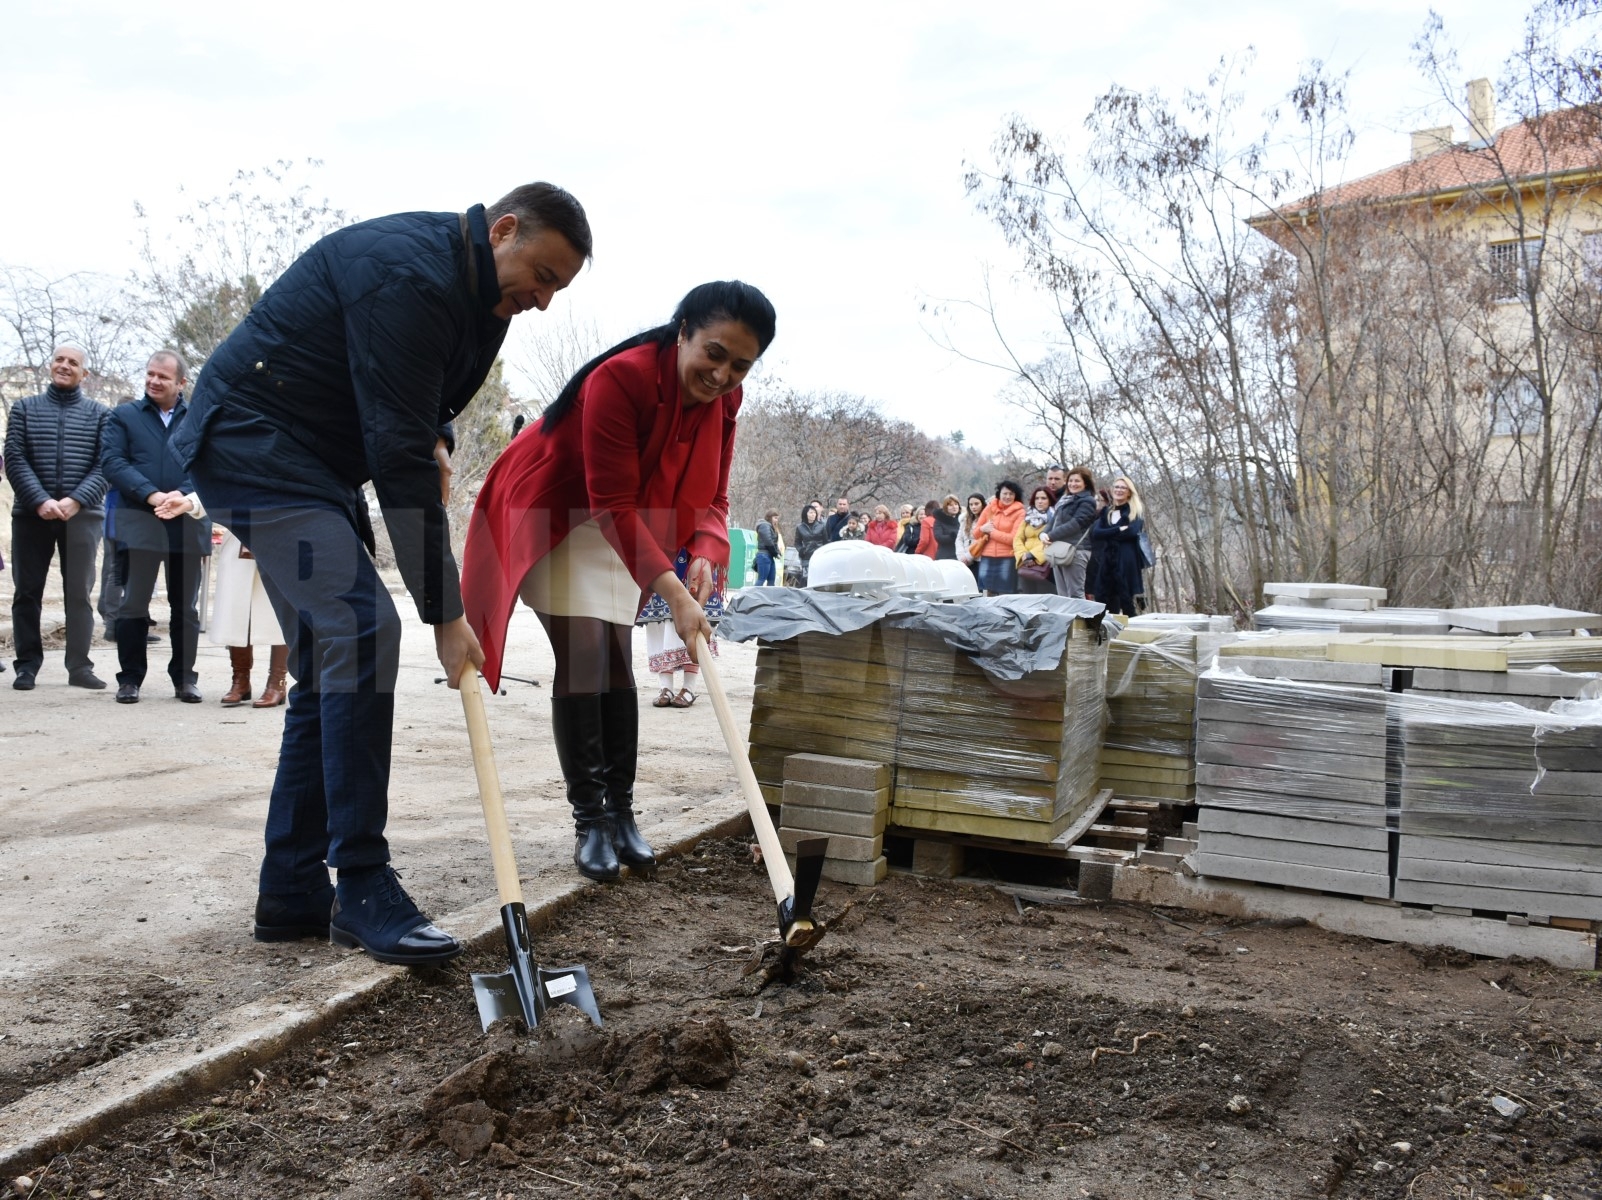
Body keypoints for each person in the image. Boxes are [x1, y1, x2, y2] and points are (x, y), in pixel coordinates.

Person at [170, 183, 593, 965]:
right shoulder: (408, 271)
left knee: (333, 659)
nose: (542, 300)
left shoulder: (483, 301)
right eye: (542, 275)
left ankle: (294, 890)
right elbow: (394, 446)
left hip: (313, 458)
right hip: (254, 443)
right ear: (503, 230)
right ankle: (362, 881)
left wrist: (438, 436)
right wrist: (446, 613)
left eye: (557, 290)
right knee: (366, 629)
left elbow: (423, 403)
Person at [462, 281, 776, 885]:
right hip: (558, 510)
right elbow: (609, 504)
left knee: (613, 663)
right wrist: (676, 594)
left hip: (631, 518)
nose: (722, 376)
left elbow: (713, 496)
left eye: (741, 366)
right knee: (584, 657)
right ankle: (590, 821)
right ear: (682, 330)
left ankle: (622, 814)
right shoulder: (620, 379)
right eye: (713, 353)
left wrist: (706, 552)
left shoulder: (725, 403)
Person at [99, 351, 213, 703]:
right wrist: (151, 495)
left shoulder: (200, 417)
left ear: (181, 383)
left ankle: (185, 679)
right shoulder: (124, 416)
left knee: (185, 608)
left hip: (187, 523)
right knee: (133, 604)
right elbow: (113, 462)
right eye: (149, 374)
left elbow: (210, 464)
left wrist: (183, 495)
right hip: (138, 522)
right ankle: (130, 678)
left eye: (163, 376)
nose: (153, 381)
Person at [5, 343, 109, 691]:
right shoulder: (23, 408)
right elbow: (14, 458)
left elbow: (106, 462)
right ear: (50, 366)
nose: (64, 366)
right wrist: (40, 501)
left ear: (85, 373)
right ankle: (27, 666)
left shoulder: (100, 414)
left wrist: (76, 501)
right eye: (59, 360)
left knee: (79, 592)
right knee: (27, 591)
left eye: (73, 362)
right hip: (31, 515)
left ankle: (79, 666)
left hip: (83, 516)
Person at [210, 529, 291, 708]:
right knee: (237, 611)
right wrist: (191, 502)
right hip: (238, 537)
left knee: (278, 615)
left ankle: (277, 684)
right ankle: (240, 681)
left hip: (280, 536)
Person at [638, 549, 725, 708]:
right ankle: (665, 686)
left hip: (691, 552)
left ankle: (689, 687)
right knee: (659, 621)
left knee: (692, 622)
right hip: (659, 549)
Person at [1086, 476, 1147, 618]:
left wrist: (1108, 533)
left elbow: (1131, 532)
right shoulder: (1107, 511)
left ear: (1129, 492)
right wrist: (1118, 530)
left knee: (1126, 601)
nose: (1119, 490)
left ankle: (1132, 632)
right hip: (1107, 560)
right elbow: (1096, 533)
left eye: (1123, 488)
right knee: (1103, 599)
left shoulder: (1134, 512)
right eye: (1116, 487)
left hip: (1126, 560)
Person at [1042, 465, 1097, 598]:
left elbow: (1075, 524)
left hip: (1076, 551)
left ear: (1086, 483)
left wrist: (1050, 536)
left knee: (1075, 594)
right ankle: (1068, 619)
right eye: (1071, 480)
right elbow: (1054, 520)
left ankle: (1082, 619)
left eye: (1077, 481)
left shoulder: (1088, 501)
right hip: (1060, 550)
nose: (1073, 484)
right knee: (1062, 594)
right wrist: (1043, 534)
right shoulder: (1065, 500)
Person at [969, 480, 1026, 595]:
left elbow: (1013, 539)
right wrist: (982, 529)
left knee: (1006, 592)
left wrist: (992, 532)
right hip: (987, 556)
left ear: (1016, 496)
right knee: (988, 592)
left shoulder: (1020, 512)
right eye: (1005, 493)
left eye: (1011, 494)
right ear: (999, 494)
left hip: (1007, 557)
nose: (1007, 496)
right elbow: (975, 534)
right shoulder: (990, 508)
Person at [1013, 486, 1055, 595]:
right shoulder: (1027, 517)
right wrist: (1024, 556)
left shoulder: (1055, 517)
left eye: (1043, 498)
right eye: (1037, 498)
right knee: (1026, 598)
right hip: (1025, 564)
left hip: (1044, 564)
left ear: (1050, 500)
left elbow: (1051, 540)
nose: (1040, 501)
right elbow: (1017, 539)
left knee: (1044, 598)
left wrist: (1033, 556)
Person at [793, 502, 828, 583]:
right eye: (811, 513)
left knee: (819, 577)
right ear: (806, 514)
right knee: (806, 578)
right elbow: (797, 542)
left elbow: (826, 540)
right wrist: (801, 550)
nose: (813, 515)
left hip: (819, 554)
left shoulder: (821, 526)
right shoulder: (800, 527)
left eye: (814, 513)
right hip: (806, 555)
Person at [956, 492, 986, 575]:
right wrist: (961, 555)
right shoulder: (965, 520)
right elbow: (959, 538)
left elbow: (983, 540)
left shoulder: (986, 520)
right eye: (971, 504)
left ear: (982, 504)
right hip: (964, 558)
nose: (973, 507)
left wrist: (969, 556)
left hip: (980, 558)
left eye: (976, 504)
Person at [929, 494, 962, 560]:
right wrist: (952, 536)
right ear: (945, 507)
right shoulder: (940, 520)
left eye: (956, 504)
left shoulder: (962, 519)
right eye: (950, 505)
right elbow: (939, 537)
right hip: (945, 555)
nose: (954, 507)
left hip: (960, 555)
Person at [754, 510, 781, 586]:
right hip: (764, 555)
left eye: (777, 518)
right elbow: (768, 541)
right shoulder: (764, 525)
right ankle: (753, 596)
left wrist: (777, 552)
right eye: (775, 518)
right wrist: (775, 552)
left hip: (769, 555)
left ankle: (770, 597)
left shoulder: (771, 527)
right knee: (761, 579)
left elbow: (773, 542)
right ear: (770, 517)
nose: (776, 520)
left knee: (771, 580)